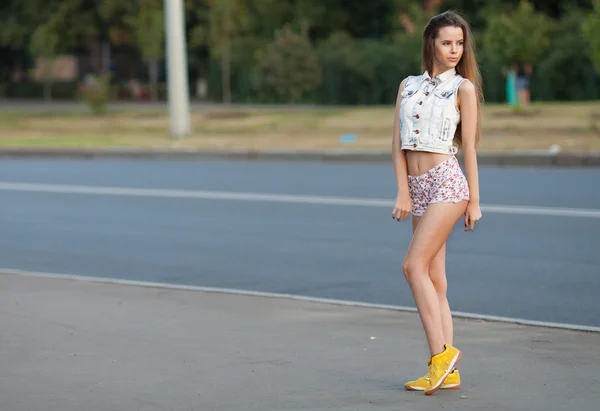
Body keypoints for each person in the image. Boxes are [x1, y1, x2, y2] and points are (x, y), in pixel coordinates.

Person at [390, 10, 483, 396]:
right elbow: (397, 144)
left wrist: (474, 201)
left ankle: (440, 358)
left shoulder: (462, 88)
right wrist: (403, 191)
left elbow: (471, 148)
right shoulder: (407, 86)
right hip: (418, 186)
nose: (454, 50)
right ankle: (451, 372)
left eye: (459, 43)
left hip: (447, 183)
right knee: (436, 280)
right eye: (447, 42)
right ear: (430, 42)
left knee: (413, 267)